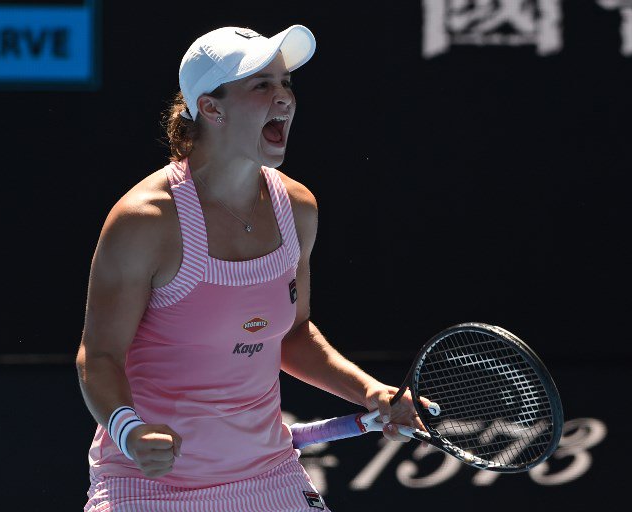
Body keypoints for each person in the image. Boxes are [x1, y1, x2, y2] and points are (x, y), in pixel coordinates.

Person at [75, 24, 422, 511]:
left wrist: (370, 391)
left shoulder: (297, 208)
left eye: (286, 83)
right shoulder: (145, 221)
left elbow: (291, 334)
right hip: (151, 485)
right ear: (210, 109)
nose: (283, 97)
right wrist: (130, 432)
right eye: (261, 85)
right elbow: (99, 355)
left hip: (268, 474)